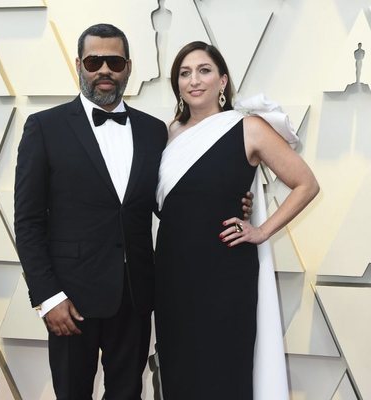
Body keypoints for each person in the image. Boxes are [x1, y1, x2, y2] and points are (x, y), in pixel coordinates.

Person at [14, 24, 253, 399]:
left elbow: (172, 198)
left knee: (127, 394)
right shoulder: (45, 127)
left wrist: (228, 200)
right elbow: (27, 221)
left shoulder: (154, 131)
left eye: (115, 61)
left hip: (136, 296)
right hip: (71, 301)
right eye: (95, 61)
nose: (104, 70)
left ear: (128, 67)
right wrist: (48, 297)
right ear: (79, 65)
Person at [154, 41, 319, 399]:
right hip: (171, 275)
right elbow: (172, 202)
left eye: (204, 70)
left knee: (224, 371)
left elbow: (306, 184)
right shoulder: (169, 134)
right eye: (184, 73)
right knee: (179, 372)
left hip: (224, 274)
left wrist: (262, 230)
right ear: (177, 84)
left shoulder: (249, 128)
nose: (194, 80)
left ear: (223, 80)